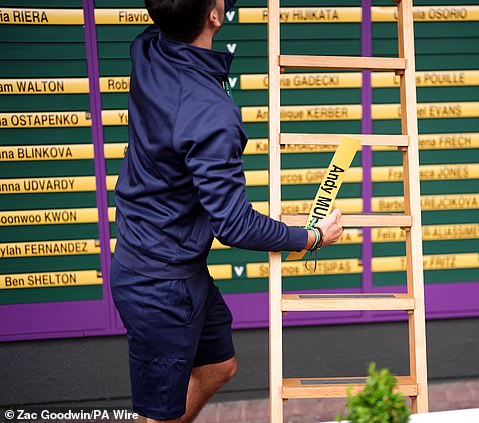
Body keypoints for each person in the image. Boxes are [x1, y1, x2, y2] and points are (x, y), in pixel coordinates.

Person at [110, 0, 344, 421]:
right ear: (214, 17)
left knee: (220, 366)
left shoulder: (148, 47)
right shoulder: (211, 115)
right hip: (159, 286)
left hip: (177, 264)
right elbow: (233, 224)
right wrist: (310, 237)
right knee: (158, 415)